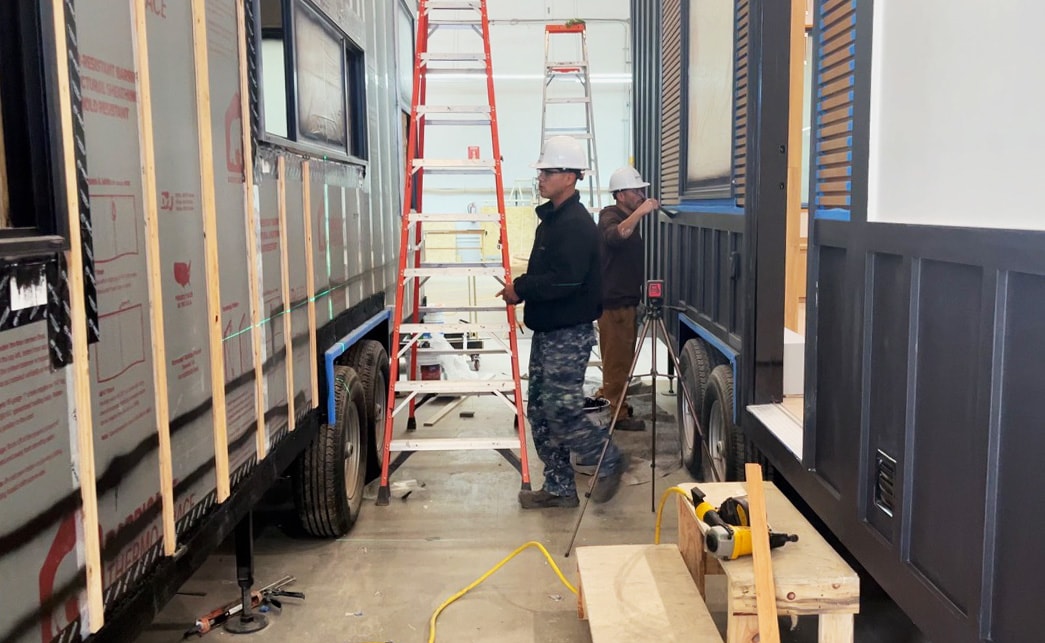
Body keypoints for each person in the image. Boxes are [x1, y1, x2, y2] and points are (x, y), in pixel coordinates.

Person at [496, 136, 628, 509]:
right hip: (549, 329)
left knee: (561, 409)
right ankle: (558, 487)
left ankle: (609, 459)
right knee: (539, 409)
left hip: (567, 333)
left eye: (549, 171)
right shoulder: (553, 220)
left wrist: (520, 288)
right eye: (542, 170)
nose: (541, 177)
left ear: (569, 177)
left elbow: (565, 280)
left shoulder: (574, 225)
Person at [594, 166, 659, 431]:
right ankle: (615, 415)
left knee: (621, 360)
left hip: (625, 302)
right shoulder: (610, 216)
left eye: (643, 191)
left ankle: (612, 401)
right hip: (614, 305)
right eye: (636, 191)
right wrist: (641, 212)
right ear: (620, 195)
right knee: (618, 362)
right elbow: (615, 237)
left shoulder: (624, 215)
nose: (641, 195)